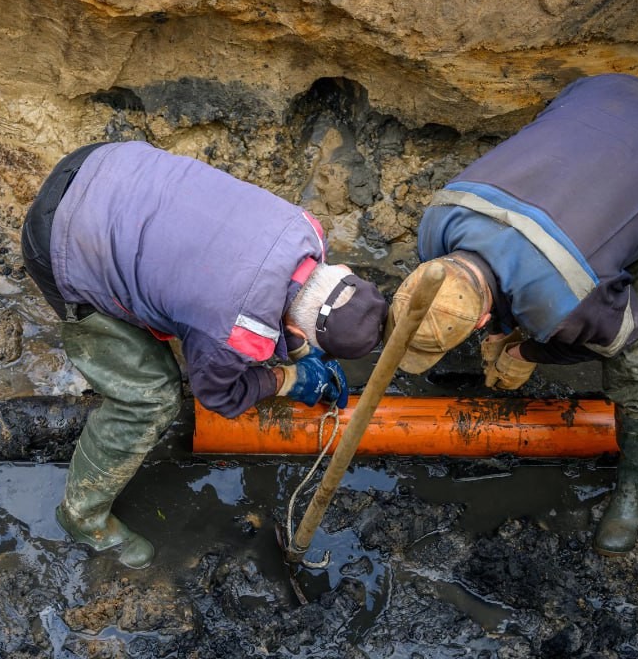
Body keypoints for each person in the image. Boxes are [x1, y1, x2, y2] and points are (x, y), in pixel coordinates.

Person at [388, 73, 638, 556]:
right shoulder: (437, 223)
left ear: (481, 320)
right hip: (601, 97)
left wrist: (530, 349)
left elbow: (627, 334)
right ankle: (606, 251)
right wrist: (516, 329)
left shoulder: (567, 302)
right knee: (586, 257)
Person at [20, 140, 388, 568]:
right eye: (301, 338)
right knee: (149, 397)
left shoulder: (305, 229)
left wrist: (299, 348)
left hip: (104, 164)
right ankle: (81, 515)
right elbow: (218, 395)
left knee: (185, 306)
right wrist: (292, 378)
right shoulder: (239, 328)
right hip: (60, 241)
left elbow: (268, 301)